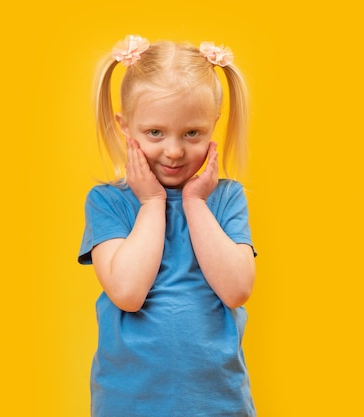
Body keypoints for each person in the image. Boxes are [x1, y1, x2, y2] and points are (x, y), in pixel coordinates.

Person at [78, 34, 257, 417]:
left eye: (192, 133)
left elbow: (237, 289)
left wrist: (194, 202)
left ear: (213, 127)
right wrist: (152, 202)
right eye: (155, 133)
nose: (174, 151)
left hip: (218, 404)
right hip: (129, 404)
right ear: (126, 127)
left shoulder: (225, 199)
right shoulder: (108, 201)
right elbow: (128, 292)